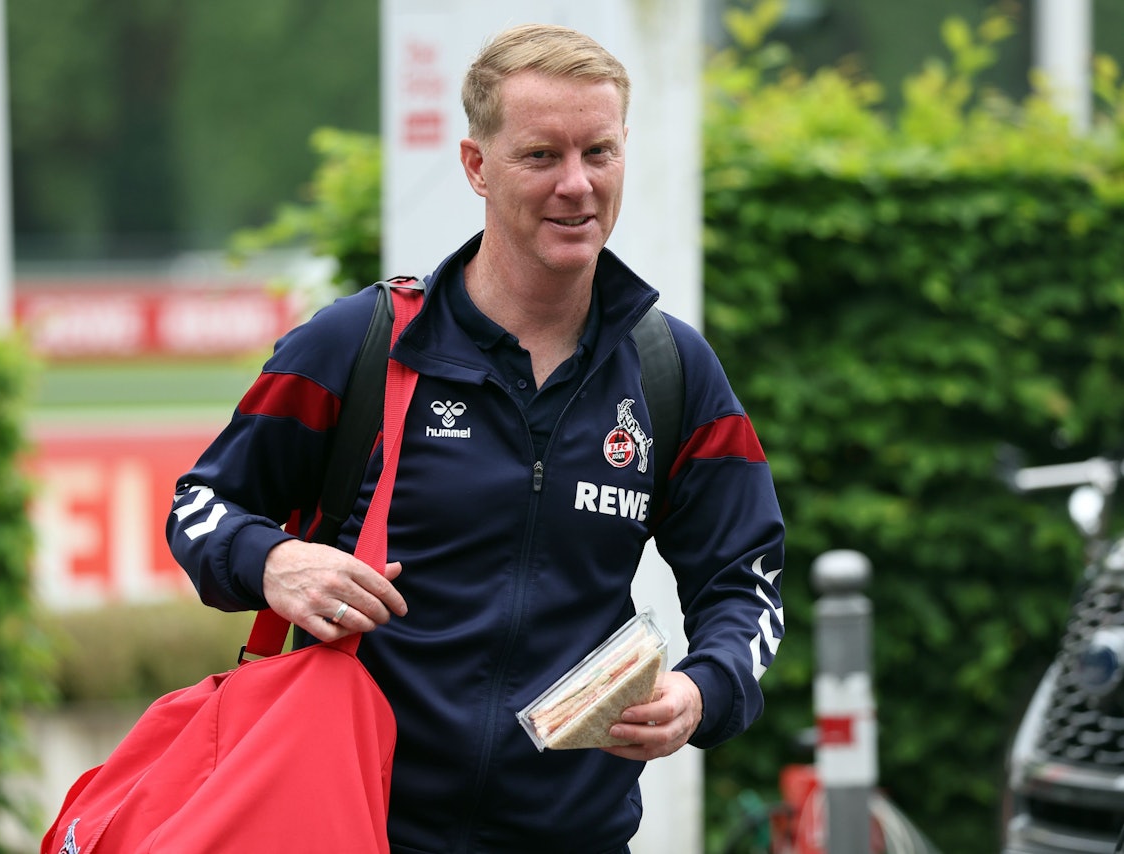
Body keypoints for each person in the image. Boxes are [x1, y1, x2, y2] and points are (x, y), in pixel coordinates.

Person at [167, 22, 785, 854]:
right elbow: (200, 505)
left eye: (599, 152)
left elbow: (745, 582)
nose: (577, 185)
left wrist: (701, 692)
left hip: (573, 837)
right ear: (475, 166)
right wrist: (272, 561)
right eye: (541, 156)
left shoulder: (671, 369)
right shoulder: (361, 342)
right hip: (353, 824)